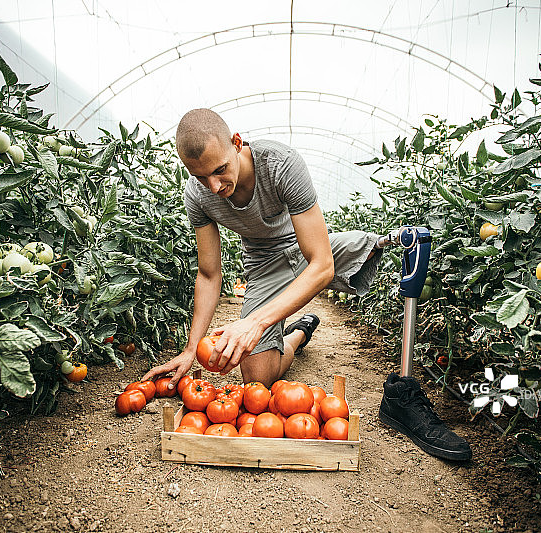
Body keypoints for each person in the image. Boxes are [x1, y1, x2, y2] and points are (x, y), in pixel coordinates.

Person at [142, 108, 471, 461]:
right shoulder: (198, 195)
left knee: (375, 247)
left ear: (237, 143)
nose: (214, 187)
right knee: (258, 380)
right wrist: (192, 350)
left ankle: (383, 246)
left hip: (308, 250)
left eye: (220, 170)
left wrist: (254, 322)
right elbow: (209, 274)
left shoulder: (281, 164)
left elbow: (322, 265)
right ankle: (297, 333)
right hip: (264, 266)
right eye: (200, 177)